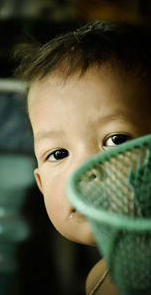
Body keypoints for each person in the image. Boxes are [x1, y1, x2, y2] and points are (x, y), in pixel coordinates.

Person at [14, 20, 151, 294]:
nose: (86, 169)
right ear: (41, 183)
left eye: (116, 140)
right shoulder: (98, 278)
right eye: (58, 153)